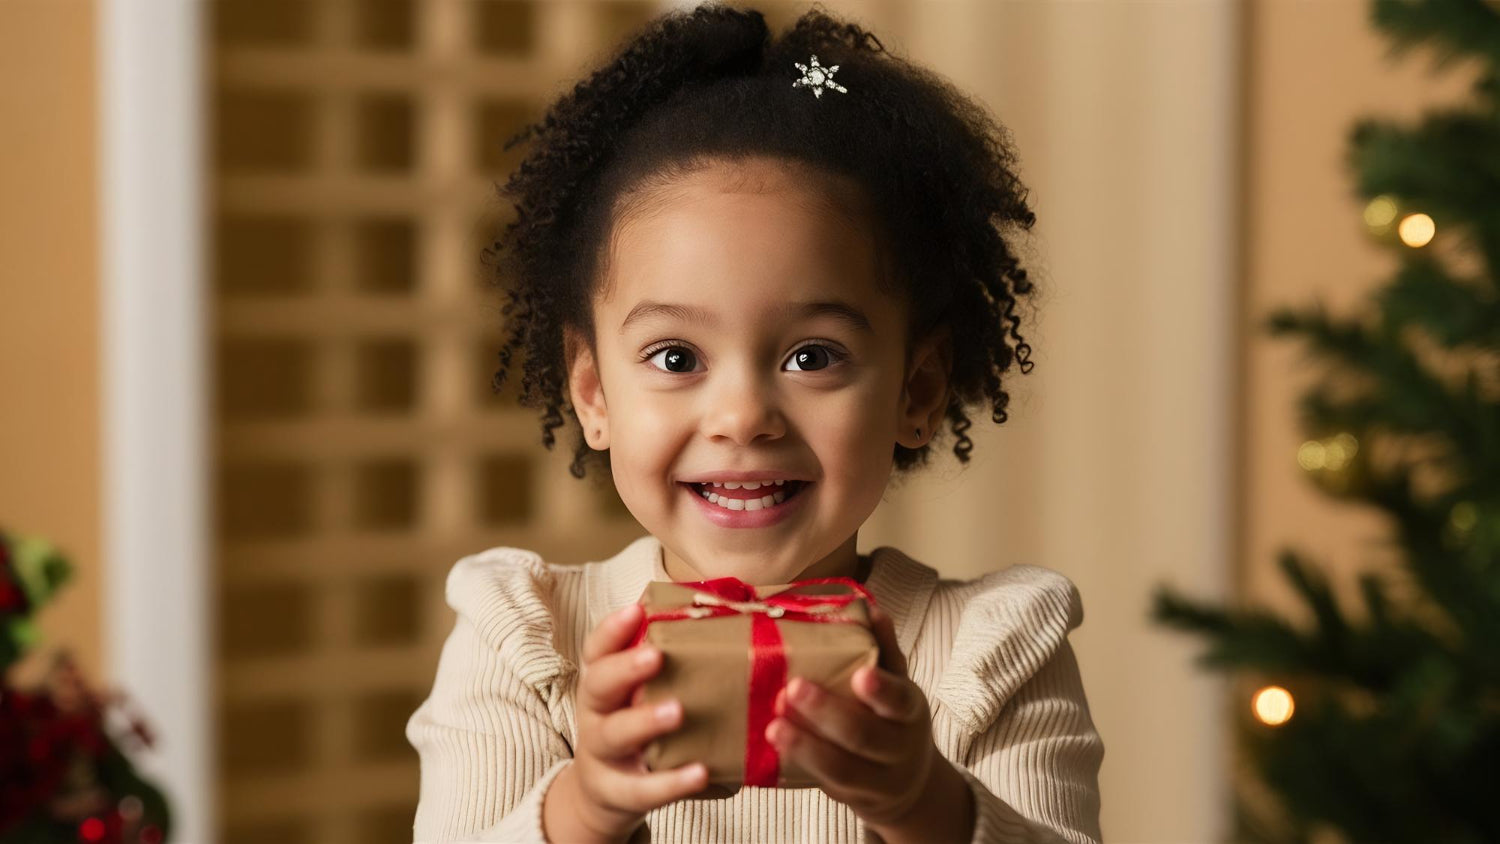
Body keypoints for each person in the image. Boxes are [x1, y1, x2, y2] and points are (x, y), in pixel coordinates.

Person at [406, 4, 1102, 842]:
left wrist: (923, 805)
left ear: (916, 391)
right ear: (593, 392)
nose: (742, 417)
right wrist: (585, 809)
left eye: (812, 356)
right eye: (675, 358)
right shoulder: (528, 643)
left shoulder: (992, 653)